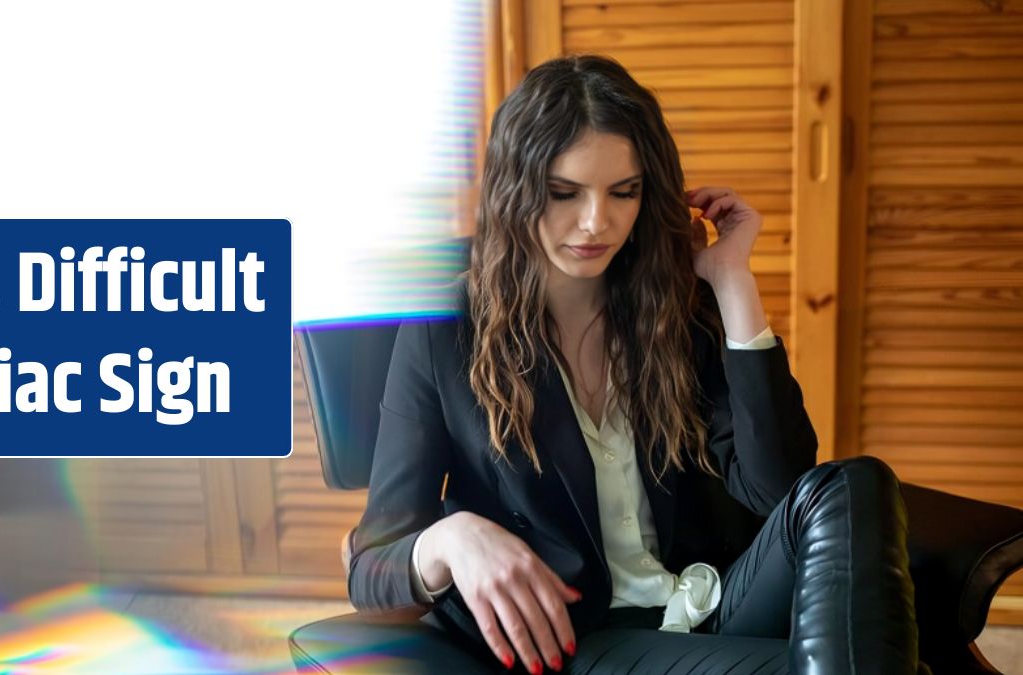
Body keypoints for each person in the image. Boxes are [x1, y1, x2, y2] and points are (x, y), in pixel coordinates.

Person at [348, 54, 918, 674]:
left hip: (709, 601)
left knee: (853, 482)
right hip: (580, 635)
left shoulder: (670, 300)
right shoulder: (446, 327)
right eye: (564, 192)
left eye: (625, 191)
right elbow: (371, 565)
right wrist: (451, 538)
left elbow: (778, 490)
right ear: (516, 187)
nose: (598, 222)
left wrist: (731, 283)